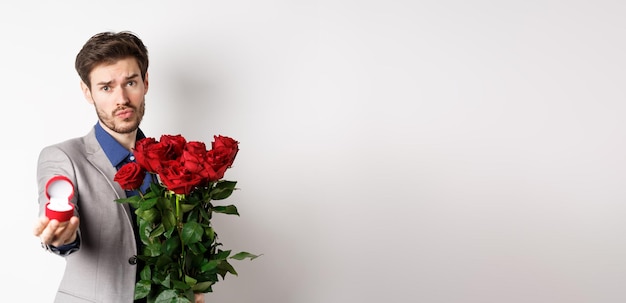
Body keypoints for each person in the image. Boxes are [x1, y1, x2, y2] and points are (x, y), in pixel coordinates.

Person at [32, 31, 205, 303]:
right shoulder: (63, 157)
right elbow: (58, 213)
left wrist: (192, 287)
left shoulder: (173, 160)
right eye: (106, 87)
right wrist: (62, 235)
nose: (121, 98)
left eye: (130, 83)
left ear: (145, 82)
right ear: (87, 92)